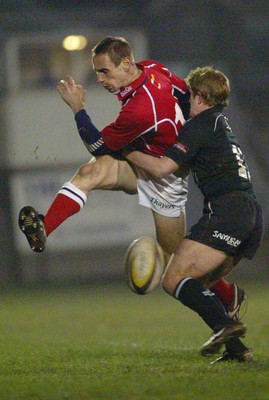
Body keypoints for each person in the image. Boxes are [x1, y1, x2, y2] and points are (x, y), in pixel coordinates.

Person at [19, 37, 244, 320]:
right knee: (90, 172)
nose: (100, 79)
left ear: (126, 64)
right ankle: (44, 226)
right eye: (97, 72)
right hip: (138, 160)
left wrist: (78, 108)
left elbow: (98, 146)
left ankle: (229, 296)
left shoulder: (141, 109)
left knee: (176, 259)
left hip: (165, 178)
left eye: (104, 71)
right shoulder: (151, 68)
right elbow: (186, 93)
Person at [124, 66, 263, 363]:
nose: (187, 101)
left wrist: (127, 150)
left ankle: (226, 325)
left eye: (189, 96)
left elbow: (163, 168)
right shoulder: (219, 123)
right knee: (201, 285)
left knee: (173, 279)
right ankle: (238, 351)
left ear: (199, 96)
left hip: (227, 211)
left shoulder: (200, 124)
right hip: (249, 213)